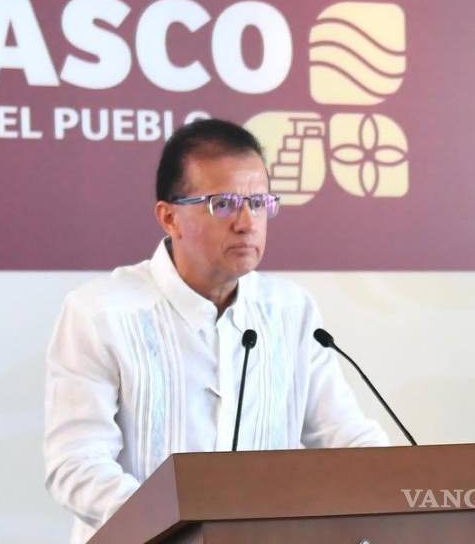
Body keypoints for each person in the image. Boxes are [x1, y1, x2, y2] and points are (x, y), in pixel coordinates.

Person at [43, 118, 389, 542]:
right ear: (169, 217)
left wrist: (410, 487)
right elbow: (76, 464)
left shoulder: (290, 311)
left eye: (258, 203)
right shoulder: (100, 313)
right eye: (223, 204)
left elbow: (346, 438)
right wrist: (183, 527)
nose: (246, 222)